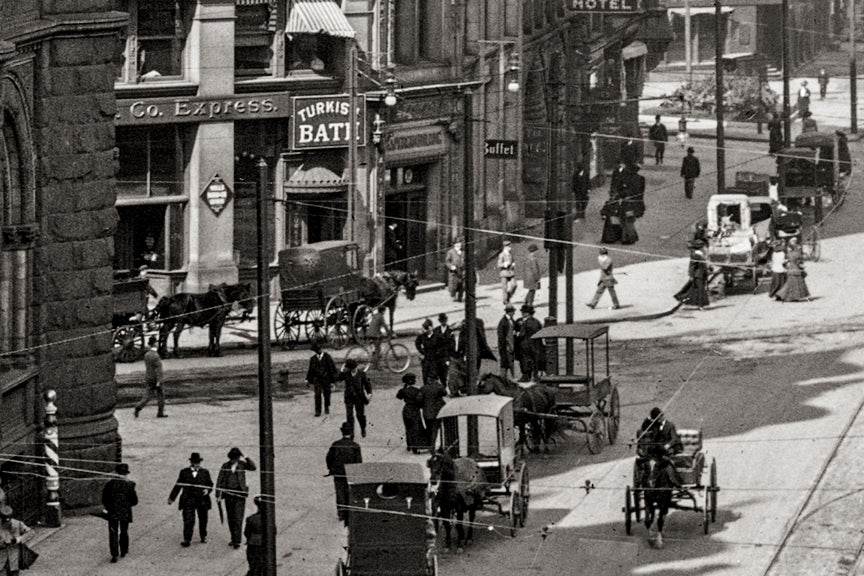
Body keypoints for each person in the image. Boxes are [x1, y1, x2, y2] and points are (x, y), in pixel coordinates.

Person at [168, 452, 214, 547]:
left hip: (202, 500)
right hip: (188, 500)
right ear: (191, 462)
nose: (197, 464)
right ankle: (187, 539)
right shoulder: (184, 472)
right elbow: (178, 485)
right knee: (188, 520)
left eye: (198, 462)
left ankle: (203, 536)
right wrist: (172, 498)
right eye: (195, 462)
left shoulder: (205, 472)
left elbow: (210, 484)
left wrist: (207, 490)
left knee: (203, 519)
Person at [215, 448, 257, 549]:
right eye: (232, 458)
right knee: (231, 518)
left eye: (236, 458)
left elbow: (253, 467)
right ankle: (233, 538)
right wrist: (218, 494)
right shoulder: (225, 466)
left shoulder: (242, 464)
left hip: (239, 495)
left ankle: (237, 541)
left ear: (238, 457)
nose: (234, 460)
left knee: (238, 518)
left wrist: (246, 457)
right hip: (228, 495)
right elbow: (220, 479)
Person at [326, 422, 363, 526]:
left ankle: (341, 513)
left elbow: (328, 458)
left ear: (341, 432)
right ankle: (349, 511)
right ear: (351, 433)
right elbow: (359, 462)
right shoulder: (355, 446)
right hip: (350, 473)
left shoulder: (335, 444)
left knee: (339, 493)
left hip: (338, 473)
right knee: (349, 492)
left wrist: (331, 468)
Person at [101, 463, 138, 563]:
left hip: (112, 512)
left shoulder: (109, 484)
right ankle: (124, 550)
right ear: (126, 474)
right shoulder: (129, 485)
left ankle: (114, 554)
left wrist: (108, 507)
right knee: (124, 531)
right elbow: (134, 501)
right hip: (125, 512)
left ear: (116, 473)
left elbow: (104, 499)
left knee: (113, 533)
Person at [336, 358, 372, 438]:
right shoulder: (346, 374)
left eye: (352, 368)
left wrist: (369, 393)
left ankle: (363, 428)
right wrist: (341, 371)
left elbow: (367, 384)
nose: (352, 370)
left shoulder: (362, 374)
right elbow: (338, 379)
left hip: (359, 397)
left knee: (360, 415)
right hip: (349, 397)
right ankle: (351, 433)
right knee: (349, 416)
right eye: (350, 369)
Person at [134, 336, 166, 418]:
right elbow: (158, 369)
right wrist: (159, 380)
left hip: (148, 377)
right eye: (156, 342)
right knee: (161, 395)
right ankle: (160, 412)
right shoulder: (156, 356)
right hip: (156, 378)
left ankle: (139, 406)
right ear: (154, 344)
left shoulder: (147, 355)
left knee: (148, 395)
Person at [674, 240, 710, 310]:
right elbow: (692, 266)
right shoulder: (696, 255)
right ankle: (700, 305)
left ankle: (696, 303)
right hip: (698, 275)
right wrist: (691, 275)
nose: (704, 248)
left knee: (696, 289)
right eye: (703, 246)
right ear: (700, 247)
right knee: (700, 290)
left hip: (701, 274)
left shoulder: (700, 254)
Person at [305, 341, 338, 416]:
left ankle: (326, 406)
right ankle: (318, 411)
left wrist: (333, 381)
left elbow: (332, 369)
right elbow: (310, 370)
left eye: (320, 349)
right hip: (317, 379)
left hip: (326, 378)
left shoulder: (327, 357)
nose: (319, 351)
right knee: (317, 394)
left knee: (327, 393)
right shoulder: (312, 359)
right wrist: (307, 380)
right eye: (317, 350)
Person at [396, 374, 426, 453]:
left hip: (406, 409)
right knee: (416, 427)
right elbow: (420, 401)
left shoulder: (403, 391)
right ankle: (415, 446)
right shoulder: (417, 390)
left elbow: (398, 396)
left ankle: (409, 444)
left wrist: (404, 388)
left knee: (408, 427)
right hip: (414, 409)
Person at [515, 304, 545, 382]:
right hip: (536, 345)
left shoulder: (524, 322)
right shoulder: (537, 321)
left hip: (525, 345)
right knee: (535, 362)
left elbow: (521, 334)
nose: (522, 313)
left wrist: (516, 334)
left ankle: (526, 377)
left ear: (527, 313)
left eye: (523, 312)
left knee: (525, 361)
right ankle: (535, 377)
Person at [777, 237, 811, 302]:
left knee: (791, 283)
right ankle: (793, 296)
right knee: (798, 283)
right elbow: (800, 261)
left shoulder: (788, 254)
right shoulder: (797, 254)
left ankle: (784, 295)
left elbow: (784, 261)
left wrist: (786, 265)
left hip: (790, 269)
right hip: (796, 269)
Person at [0, 505, 31, 575]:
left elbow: (31, 533)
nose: (7, 522)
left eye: (9, 520)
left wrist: (18, 539)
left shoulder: (18, 524)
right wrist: (2, 543)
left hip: (13, 557)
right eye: (4, 520)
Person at [429, 314, 454, 395]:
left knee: (445, 372)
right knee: (440, 373)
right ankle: (443, 387)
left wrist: (449, 357)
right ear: (440, 321)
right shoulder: (436, 330)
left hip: (446, 355)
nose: (443, 322)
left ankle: (446, 388)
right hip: (438, 355)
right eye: (442, 320)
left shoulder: (450, 330)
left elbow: (451, 343)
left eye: (444, 320)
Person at [420, 375, 447, 451]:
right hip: (437, 412)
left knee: (429, 429)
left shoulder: (423, 388)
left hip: (426, 412)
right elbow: (445, 393)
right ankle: (432, 446)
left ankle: (429, 445)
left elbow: (419, 399)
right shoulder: (439, 387)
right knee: (435, 429)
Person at [243, 496, 264, 576]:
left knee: (253, 566)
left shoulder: (251, 519)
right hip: (263, 545)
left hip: (253, 544)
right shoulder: (269, 520)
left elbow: (246, 532)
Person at [496, 304, 517, 380]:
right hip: (506, 347)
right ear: (509, 312)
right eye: (513, 312)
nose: (514, 313)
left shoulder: (511, 321)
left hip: (510, 346)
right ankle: (504, 379)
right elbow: (501, 336)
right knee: (505, 363)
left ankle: (508, 378)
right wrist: (504, 346)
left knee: (508, 363)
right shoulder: (503, 322)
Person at [367, 305, 390, 370]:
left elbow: (375, 326)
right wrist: (389, 333)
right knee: (378, 349)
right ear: (383, 311)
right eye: (385, 311)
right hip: (374, 334)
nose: (385, 312)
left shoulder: (375, 315)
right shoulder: (381, 316)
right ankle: (377, 366)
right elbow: (385, 326)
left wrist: (381, 333)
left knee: (377, 346)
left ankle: (375, 361)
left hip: (370, 333)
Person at [415, 318, 436, 384]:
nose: (426, 330)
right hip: (426, 357)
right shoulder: (422, 336)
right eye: (425, 328)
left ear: (431, 327)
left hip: (434, 357)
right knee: (425, 374)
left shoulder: (437, 335)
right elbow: (417, 343)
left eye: (427, 328)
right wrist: (421, 352)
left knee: (433, 375)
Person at [497, 240, 517, 305]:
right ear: (505, 247)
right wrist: (505, 264)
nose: (510, 248)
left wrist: (513, 264)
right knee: (504, 288)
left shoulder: (510, 254)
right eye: (509, 246)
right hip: (504, 273)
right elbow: (499, 264)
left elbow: (513, 261)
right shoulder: (501, 255)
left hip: (511, 272)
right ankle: (505, 300)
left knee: (514, 285)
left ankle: (509, 295)